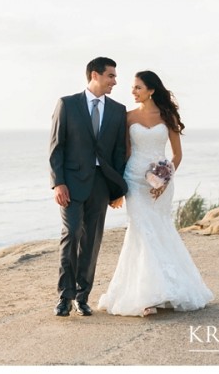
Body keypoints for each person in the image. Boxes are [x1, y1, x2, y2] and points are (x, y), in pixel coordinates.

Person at [98, 70, 213, 317]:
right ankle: (145, 296)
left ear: (150, 90)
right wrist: (118, 188)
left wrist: (163, 180)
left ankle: (167, 288)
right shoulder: (127, 117)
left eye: (137, 87)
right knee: (141, 231)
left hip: (162, 182)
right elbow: (125, 154)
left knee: (160, 230)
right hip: (134, 181)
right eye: (132, 87)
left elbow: (177, 155)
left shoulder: (167, 116)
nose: (133, 91)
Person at [49, 57, 128, 317]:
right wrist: (58, 182)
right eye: (111, 76)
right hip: (70, 183)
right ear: (95, 75)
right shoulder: (67, 104)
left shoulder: (118, 110)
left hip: (101, 184)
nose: (115, 81)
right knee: (71, 234)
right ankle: (64, 297)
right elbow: (56, 146)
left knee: (92, 241)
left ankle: (82, 297)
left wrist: (117, 190)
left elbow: (118, 153)